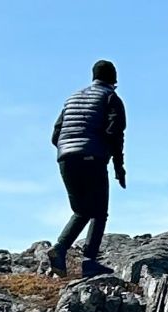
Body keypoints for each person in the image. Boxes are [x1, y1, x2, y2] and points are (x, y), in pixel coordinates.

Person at [47, 59, 128, 279]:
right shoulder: (111, 98)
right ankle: (89, 261)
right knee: (99, 211)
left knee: (82, 210)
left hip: (66, 158)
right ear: (114, 79)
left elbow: (56, 134)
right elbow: (115, 134)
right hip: (92, 157)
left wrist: (68, 151)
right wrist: (118, 167)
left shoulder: (72, 98)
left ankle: (60, 248)